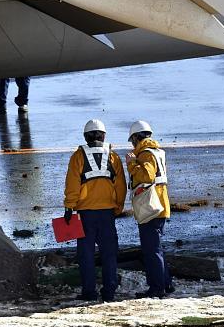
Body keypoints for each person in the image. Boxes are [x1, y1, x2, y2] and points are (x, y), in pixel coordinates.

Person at [63, 119, 127, 302]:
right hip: (107, 212)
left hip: (85, 214)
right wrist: (118, 207)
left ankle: (89, 292)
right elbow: (121, 186)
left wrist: (69, 206)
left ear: (85, 136)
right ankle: (109, 292)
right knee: (109, 254)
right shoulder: (113, 156)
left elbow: (72, 184)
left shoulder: (78, 156)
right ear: (104, 135)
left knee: (86, 255)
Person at [126, 120, 173, 298]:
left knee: (151, 250)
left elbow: (146, 175)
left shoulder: (145, 154)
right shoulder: (158, 152)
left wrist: (131, 164)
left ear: (137, 137)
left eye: (132, 140)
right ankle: (166, 284)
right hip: (161, 205)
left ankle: (157, 288)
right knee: (157, 248)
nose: (132, 144)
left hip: (151, 207)